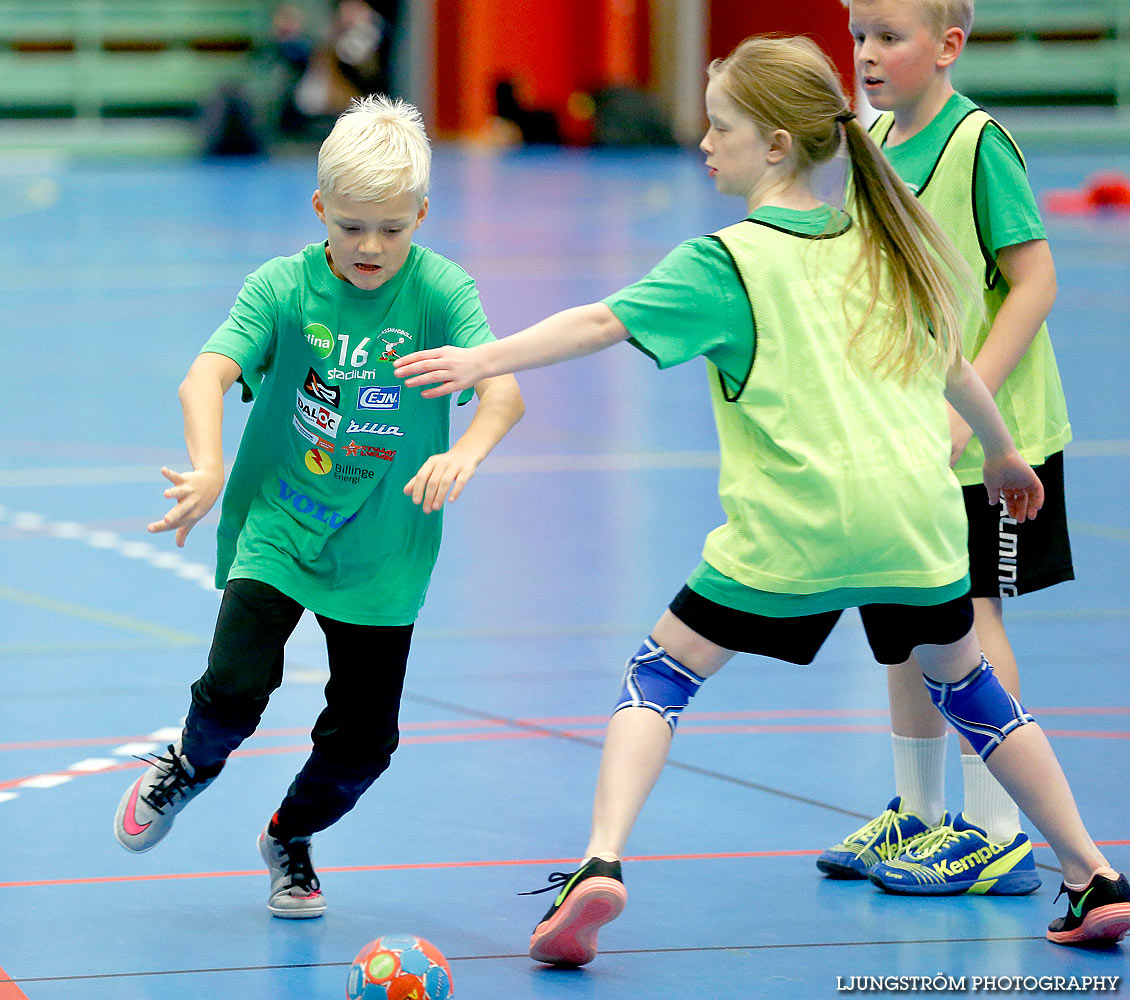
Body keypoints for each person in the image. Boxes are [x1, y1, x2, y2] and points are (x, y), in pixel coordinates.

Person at [393, 35, 1130, 962]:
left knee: (655, 680)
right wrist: (1005, 456)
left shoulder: (725, 263)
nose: (705, 144)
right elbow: (954, 369)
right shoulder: (884, 242)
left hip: (791, 538)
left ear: (777, 146)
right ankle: (1092, 874)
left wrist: (482, 358)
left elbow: (598, 323)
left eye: (721, 128)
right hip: (917, 527)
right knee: (974, 692)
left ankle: (599, 867)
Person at [113, 95, 524, 919]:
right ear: (320, 212)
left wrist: (464, 452)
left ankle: (289, 838)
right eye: (351, 227)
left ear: (421, 215)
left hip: (385, 545)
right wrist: (207, 464)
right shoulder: (283, 288)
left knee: (365, 740)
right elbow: (207, 374)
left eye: (391, 229)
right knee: (236, 685)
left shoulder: (442, 293)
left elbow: (503, 391)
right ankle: (190, 763)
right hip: (282, 521)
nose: (370, 247)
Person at [818, 0, 1077, 898]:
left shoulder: (978, 146)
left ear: (949, 46)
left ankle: (999, 830)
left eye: (889, 37)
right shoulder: (875, 141)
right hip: (902, 436)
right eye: (859, 35)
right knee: (899, 624)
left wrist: (975, 412)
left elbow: (1034, 280)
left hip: (988, 441)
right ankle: (921, 814)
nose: (868, 54)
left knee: (972, 614)